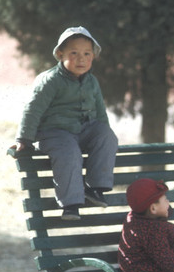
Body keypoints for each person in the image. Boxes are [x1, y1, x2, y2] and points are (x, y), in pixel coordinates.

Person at [12, 26, 118, 220]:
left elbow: (100, 112)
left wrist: (103, 135)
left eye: (87, 53)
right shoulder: (50, 80)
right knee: (69, 152)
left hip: (83, 129)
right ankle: (71, 204)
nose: (81, 58)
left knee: (107, 135)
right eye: (74, 53)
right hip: (54, 132)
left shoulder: (92, 81)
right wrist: (24, 139)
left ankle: (95, 188)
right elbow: (32, 109)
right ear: (60, 55)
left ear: (93, 57)